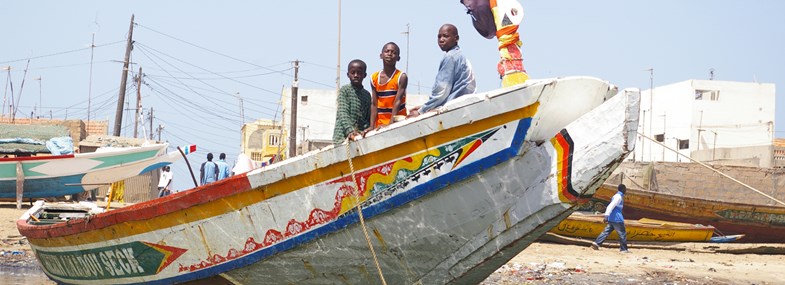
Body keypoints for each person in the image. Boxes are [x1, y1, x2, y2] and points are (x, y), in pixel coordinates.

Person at [409, 24, 476, 117]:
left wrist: (421, 111)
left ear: (456, 38)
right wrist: (425, 106)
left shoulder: (450, 57)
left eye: (446, 36)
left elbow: (441, 91)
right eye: (439, 36)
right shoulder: (460, 56)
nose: (441, 39)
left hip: (453, 108)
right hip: (464, 106)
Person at [332, 59, 372, 144]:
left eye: (359, 73)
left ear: (364, 75)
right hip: (342, 138)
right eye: (353, 72)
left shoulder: (367, 95)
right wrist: (350, 131)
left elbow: (368, 118)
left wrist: (366, 130)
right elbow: (343, 113)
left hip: (360, 138)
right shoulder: (345, 90)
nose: (356, 75)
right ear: (348, 74)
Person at [370, 42, 408, 127]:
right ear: (381, 55)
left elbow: (397, 101)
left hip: (398, 123)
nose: (390, 54)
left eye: (394, 52)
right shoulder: (374, 78)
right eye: (387, 51)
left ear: (398, 58)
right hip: (379, 124)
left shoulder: (401, 77)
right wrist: (371, 126)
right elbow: (374, 104)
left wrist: (390, 124)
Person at [591, 184, 629, 253]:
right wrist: (606, 215)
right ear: (623, 189)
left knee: (606, 232)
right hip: (617, 219)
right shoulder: (618, 197)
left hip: (612, 219)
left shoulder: (616, 196)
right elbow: (610, 206)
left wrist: (607, 216)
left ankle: (597, 243)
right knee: (622, 233)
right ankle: (623, 249)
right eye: (625, 189)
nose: (626, 191)